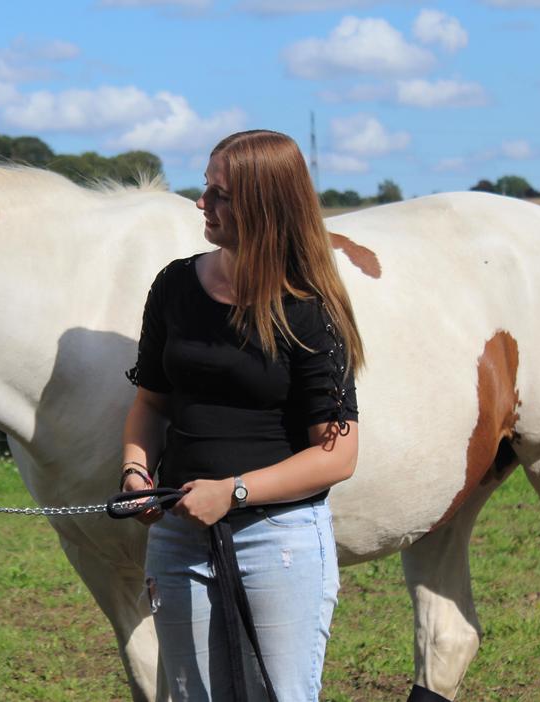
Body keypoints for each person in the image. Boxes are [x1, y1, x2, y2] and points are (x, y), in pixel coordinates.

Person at [121, 129, 363, 701]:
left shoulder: (310, 310)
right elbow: (150, 403)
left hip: (278, 541)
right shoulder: (175, 285)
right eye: (205, 188)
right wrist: (136, 472)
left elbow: (339, 453)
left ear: (265, 204)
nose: (202, 203)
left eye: (220, 194)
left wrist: (231, 492)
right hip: (179, 536)